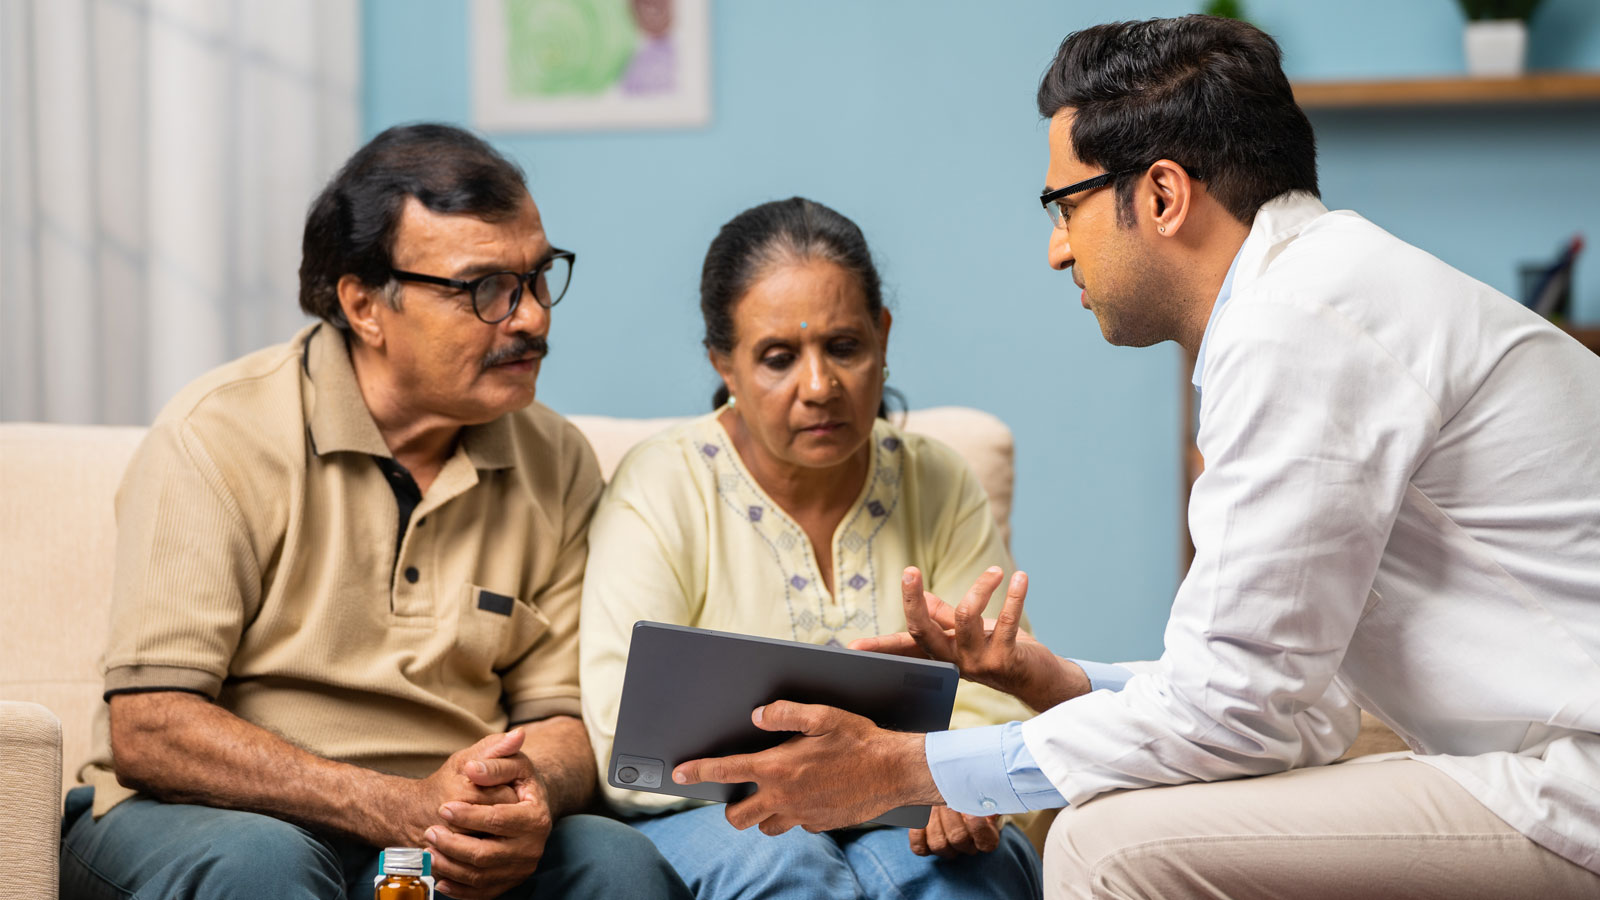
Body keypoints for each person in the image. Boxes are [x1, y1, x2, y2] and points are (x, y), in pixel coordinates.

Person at [669, 17, 1600, 900]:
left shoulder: (1296, 329)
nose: (1056, 249)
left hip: (1576, 785)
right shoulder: (1318, 296)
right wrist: (1059, 684)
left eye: (1063, 206)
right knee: (1115, 811)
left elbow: (1239, 709)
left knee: (1106, 842)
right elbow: (1293, 705)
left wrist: (901, 769)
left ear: (1161, 195)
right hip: (1543, 768)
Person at [60, 124, 691, 900]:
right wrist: (391, 806)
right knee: (264, 868)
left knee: (615, 864)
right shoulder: (215, 436)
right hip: (213, 818)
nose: (530, 317)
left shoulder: (554, 458)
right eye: (484, 289)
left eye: (537, 277)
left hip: (439, 824)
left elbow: (566, 717)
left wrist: (525, 795)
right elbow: (151, 727)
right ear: (364, 305)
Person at [579, 197, 1043, 899]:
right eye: (777, 358)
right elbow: (625, 723)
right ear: (724, 365)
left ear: (882, 338)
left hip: (910, 803)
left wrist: (950, 780)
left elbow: (1005, 695)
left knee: (957, 876)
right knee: (788, 869)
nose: (819, 387)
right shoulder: (662, 483)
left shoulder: (938, 480)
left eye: (844, 347)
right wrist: (831, 780)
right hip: (711, 813)